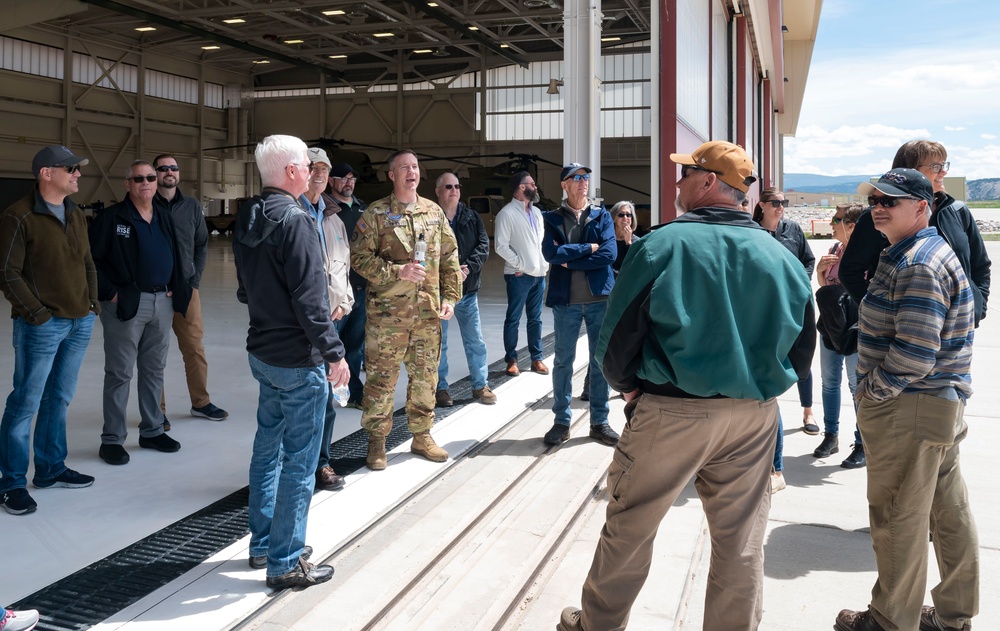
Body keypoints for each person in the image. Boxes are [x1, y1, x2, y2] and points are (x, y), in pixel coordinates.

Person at [558, 141, 814, 631]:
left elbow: (616, 339)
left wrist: (629, 389)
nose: (676, 184)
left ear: (709, 183)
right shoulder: (779, 255)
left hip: (672, 412)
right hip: (753, 418)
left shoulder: (662, 244)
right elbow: (802, 348)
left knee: (630, 530)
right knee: (741, 544)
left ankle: (598, 625)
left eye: (685, 175)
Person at [836, 168, 979, 631]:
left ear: (923, 207)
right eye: (876, 199)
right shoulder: (917, 251)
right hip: (937, 405)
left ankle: (889, 621)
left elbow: (915, 353)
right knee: (947, 513)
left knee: (897, 518)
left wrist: (870, 394)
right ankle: (955, 616)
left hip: (910, 406)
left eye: (891, 201)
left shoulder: (917, 261)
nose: (879, 206)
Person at [233, 135, 347, 588]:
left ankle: (263, 543)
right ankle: (285, 560)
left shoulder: (250, 215)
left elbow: (245, 289)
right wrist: (334, 354)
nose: (312, 172)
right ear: (291, 172)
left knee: (267, 449)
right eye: (305, 165)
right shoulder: (296, 221)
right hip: (298, 360)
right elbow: (311, 300)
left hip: (263, 352)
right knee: (299, 462)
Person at [0, 146, 98, 516]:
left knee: (58, 399)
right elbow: (6, 272)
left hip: (79, 321)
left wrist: (92, 305)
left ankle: (50, 469)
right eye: (71, 168)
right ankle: (10, 482)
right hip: (41, 326)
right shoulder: (19, 216)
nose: (77, 174)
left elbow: (87, 261)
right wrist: (37, 313)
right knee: (25, 402)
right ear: (46, 173)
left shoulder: (74, 213)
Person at [350, 149, 462, 471]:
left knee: (425, 378)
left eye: (414, 167)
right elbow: (359, 258)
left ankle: (422, 435)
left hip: (427, 315)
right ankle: (376, 440)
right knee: (382, 379)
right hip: (388, 317)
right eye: (404, 168)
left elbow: (451, 257)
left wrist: (450, 298)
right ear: (392, 175)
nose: (411, 172)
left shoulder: (434, 212)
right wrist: (396, 272)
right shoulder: (376, 214)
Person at [89, 160, 191, 466]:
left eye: (150, 177)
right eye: (139, 178)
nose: (146, 182)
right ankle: (112, 439)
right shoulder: (111, 218)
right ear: (128, 183)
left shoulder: (163, 216)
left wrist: (176, 287)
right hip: (126, 304)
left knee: (153, 370)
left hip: (162, 302)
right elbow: (91, 261)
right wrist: (111, 294)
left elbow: (177, 252)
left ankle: (152, 430)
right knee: (119, 373)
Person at [840, 140, 990, 327]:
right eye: (936, 166)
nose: (943, 172)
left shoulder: (957, 210)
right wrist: (879, 313)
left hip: (956, 327)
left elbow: (980, 265)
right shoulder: (878, 216)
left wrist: (978, 307)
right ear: (910, 171)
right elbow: (849, 271)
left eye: (944, 165)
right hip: (905, 327)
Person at [540, 163, 619, 447]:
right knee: (563, 362)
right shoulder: (551, 218)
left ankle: (599, 422)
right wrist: (588, 248)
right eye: (577, 178)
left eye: (586, 177)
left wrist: (569, 258)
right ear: (565, 185)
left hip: (599, 299)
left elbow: (609, 253)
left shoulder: (601, 215)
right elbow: (550, 253)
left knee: (600, 361)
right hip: (567, 301)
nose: (583, 181)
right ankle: (562, 422)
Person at [152, 154, 228, 429]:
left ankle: (201, 402)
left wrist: (194, 280)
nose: (169, 172)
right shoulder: (146, 204)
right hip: (154, 293)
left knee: (194, 349)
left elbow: (201, 245)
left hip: (186, 289)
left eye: (174, 168)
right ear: (155, 174)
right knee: (154, 353)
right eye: (163, 169)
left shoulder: (192, 207)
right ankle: (156, 412)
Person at [753, 187, 816, 492]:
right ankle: (774, 469)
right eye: (775, 203)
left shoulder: (793, 230)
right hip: (765, 313)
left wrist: (797, 283)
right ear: (761, 205)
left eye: (784, 203)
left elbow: (808, 260)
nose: (781, 208)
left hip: (794, 306)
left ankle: (808, 412)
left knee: (802, 361)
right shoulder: (751, 233)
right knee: (768, 386)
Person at [299, 147, 354, 491]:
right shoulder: (289, 213)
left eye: (323, 167)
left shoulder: (334, 219)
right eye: (312, 166)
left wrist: (345, 302)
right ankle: (296, 465)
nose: (318, 172)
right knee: (297, 399)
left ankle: (321, 463)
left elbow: (343, 266)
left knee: (327, 397)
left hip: (331, 321)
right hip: (298, 325)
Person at [433, 172, 496, 407]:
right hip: (439, 292)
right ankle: (441, 389)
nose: (454, 190)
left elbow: (483, 246)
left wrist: (467, 268)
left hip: (467, 291)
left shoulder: (472, 217)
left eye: (457, 186)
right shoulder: (430, 217)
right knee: (440, 343)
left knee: (475, 340)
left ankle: (481, 386)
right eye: (448, 186)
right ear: (438, 191)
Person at [813, 203, 865, 469]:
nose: (831, 223)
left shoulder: (865, 256)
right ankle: (830, 436)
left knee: (857, 387)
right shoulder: (835, 250)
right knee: (829, 383)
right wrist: (821, 273)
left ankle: (862, 443)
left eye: (836, 219)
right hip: (830, 326)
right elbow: (830, 292)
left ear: (851, 226)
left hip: (854, 330)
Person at [495, 171, 549, 377]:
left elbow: (540, 243)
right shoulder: (507, 214)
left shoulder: (536, 213)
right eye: (531, 184)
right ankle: (511, 359)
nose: (535, 187)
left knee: (535, 319)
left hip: (538, 274)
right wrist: (520, 264)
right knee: (514, 318)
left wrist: (543, 264)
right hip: (518, 275)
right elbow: (501, 246)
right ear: (520, 187)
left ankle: (537, 358)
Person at [328, 162, 368, 408]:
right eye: (343, 178)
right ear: (332, 181)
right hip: (337, 291)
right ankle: (327, 391)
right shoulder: (328, 210)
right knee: (332, 345)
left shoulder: (363, 208)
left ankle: (354, 393)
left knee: (355, 346)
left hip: (361, 289)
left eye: (352, 178)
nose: (349, 182)